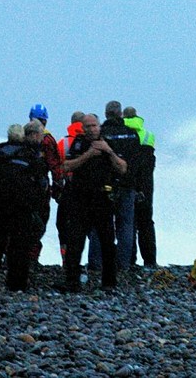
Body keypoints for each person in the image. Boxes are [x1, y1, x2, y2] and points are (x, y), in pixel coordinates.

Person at [60, 113, 128, 292]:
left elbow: (122, 168)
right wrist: (88, 155)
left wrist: (108, 151)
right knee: (75, 241)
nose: (91, 129)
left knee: (107, 242)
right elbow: (66, 166)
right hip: (80, 198)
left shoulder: (108, 143)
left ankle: (109, 282)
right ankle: (72, 281)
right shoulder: (79, 143)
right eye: (87, 126)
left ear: (99, 126)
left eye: (94, 125)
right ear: (82, 128)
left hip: (103, 199)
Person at [0, 122, 49, 292]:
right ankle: (16, 283)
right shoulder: (30, 155)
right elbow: (41, 182)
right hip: (22, 207)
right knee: (20, 247)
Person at [87, 101, 142, 273]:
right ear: (120, 114)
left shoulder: (102, 134)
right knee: (125, 225)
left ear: (105, 114)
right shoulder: (132, 135)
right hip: (127, 184)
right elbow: (137, 163)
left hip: (105, 185)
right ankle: (123, 264)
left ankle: (97, 264)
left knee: (100, 224)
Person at [123, 106, 157, 268]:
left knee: (129, 222)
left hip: (127, 182)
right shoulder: (149, 135)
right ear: (137, 116)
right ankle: (150, 261)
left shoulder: (122, 134)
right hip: (146, 184)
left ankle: (130, 260)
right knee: (146, 223)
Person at [28, 103, 61, 265]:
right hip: (41, 188)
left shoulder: (22, 136)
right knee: (40, 221)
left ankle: (20, 254)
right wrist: (57, 187)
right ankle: (32, 256)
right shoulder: (48, 140)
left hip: (23, 187)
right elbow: (55, 165)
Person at [55, 111, 85, 266]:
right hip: (86, 190)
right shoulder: (90, 142)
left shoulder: (62, 143)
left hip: (68, 189)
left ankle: (66, 258)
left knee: (63, 224)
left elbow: (57, 168)